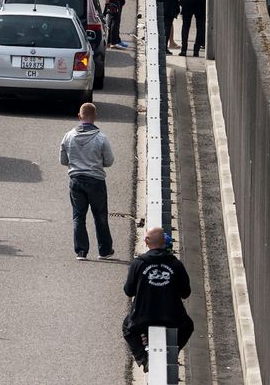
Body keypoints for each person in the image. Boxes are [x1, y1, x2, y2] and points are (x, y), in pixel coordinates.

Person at [123, 226, 194, 371]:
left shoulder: (138, 264)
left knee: (127, 328)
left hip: (142, 318)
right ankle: (173, 353)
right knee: (188, 326)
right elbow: (185, 293)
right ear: (164, 242)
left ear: (147, 242)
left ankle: (144, 359)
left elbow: (128, 291)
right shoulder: (176, 264)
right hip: (172, 317)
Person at [60, 101, 115, 259]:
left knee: (78, 216)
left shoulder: (68, 136)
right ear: (95, 117)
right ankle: (104, 250)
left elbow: (63, 160)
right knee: (100, 215)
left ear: (79, 116)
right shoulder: (101, 138)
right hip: (96, 181)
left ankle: (81, 251)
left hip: (76, 180)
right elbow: (109, 161)